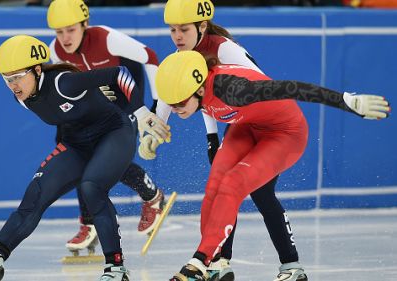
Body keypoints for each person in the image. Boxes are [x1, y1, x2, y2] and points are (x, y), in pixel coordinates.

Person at [147, 50, 390, 281]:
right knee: (214, 184)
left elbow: (294, 88)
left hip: (284, 134)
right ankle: (213, 263)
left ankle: (199, 262)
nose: (175, 109)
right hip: (247, 126)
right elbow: (173, 103)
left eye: (179, 104)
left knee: (233, 184)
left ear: (199, 89)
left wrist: (346, 101)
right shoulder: (192, 90)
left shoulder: (235, 90)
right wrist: (151, 132)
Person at [0, 35, 170, 281]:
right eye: (7, 79)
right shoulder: (22, 98)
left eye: (18, 76)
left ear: (37, 70)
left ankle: (116, 267)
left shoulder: (64, 82)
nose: (13, 85)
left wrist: (142, 111)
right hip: (77, 143)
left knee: (91, 187)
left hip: (114, 133)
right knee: (36, 193)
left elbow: (120, 73)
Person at [160, 0, 308, 280]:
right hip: (239, 125)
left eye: (183, 29)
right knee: (222, 189)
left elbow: (261, 84)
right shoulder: (185, 52)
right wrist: (211, 138)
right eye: (172, 30)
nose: (177, 36)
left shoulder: (223, 48)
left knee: (259, 193)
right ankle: (218, 262)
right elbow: (202, 99)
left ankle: (292, 266)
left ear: (202, 26)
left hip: (266, 124)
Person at [46, 0, 172, 253]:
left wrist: (155, 106)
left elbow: (151, 57)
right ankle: (90, 222)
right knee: (75, 153)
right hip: (95, 107)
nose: (65, 38)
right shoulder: (56, 50)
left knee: (106, 158)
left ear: (85, 24)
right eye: (59, 32)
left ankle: (152, 195)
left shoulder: (106, 38)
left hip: (127, 102)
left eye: (70, 30)